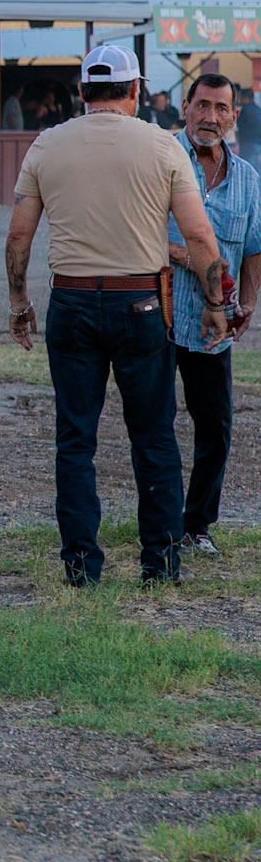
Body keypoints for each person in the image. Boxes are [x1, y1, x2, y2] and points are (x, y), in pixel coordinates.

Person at [5, 45, 227, 587]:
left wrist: (19, 302)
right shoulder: (161, 145)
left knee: (75, 439)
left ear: (82, 91)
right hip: (141, 302)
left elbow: (18, 237)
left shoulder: (47, 144)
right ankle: (161, 562)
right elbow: (199, 237)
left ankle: (81, 565)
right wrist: (216, 304)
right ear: (134, 90)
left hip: (72, 299)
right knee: (153, 437)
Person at [165, 74, 261, 559]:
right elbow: (137, 233)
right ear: (185, 108)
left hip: (215, 323)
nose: (210, 117)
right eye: (202, 105)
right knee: (155, 425)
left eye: (221, 108)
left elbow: (254, 247)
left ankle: (197, 525)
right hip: (160, 317)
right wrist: (191, 259)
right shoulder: (161, 160)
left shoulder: (247, 178)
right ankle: (160, 525)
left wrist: (249, 301)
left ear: (234, 116)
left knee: (215, 427)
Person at [237, 86, 261, 158]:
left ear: (246, 98)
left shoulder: (245, 110)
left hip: (247, 145)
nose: (240, 100)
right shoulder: (258, 109)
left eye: (241, 98)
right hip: (258, 144)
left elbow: (238, 125)